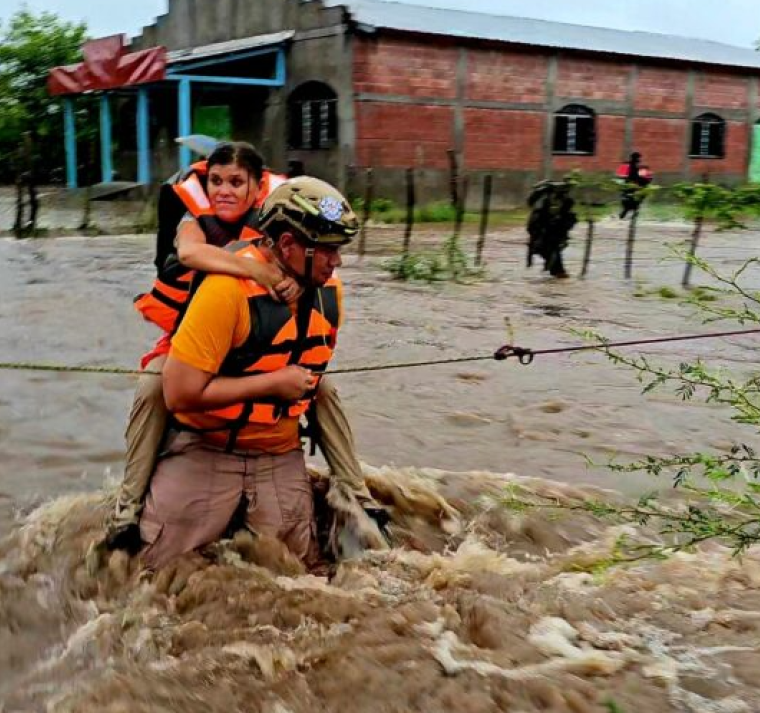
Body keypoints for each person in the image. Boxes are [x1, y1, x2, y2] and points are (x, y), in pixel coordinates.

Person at [106, 144, 377, 555]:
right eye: (215, 181)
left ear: (256, 189)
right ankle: (127, 509)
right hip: (188, 340)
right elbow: (191, 254)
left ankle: (359, 497)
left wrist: (293, 284)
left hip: (268, 406)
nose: (224, 191)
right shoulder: (195, 224)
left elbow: (302, 328)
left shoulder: (284, 240)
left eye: (236, 182)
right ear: (286, 243)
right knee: (153, 386)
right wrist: (257, 271)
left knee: (323, 389)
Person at [526, 180, 577, 278]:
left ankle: (557, 272)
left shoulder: (567, 201)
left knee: (552, 250)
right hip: (542, 230)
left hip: (555, 231)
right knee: (545, 249)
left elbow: (568, 218)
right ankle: (556, 272)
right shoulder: (542, 200)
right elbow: (534, 213)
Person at [618, 152, 653, 219]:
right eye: (639, 158)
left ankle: (628, 212)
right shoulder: (633, 166)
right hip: (632, 186)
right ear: (636, 158)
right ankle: (630, 211)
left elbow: (621, 175)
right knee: (636, 199)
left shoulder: (632, 165)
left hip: (632, 186)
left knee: (636, 198)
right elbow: (624, 175)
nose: (639, 160)